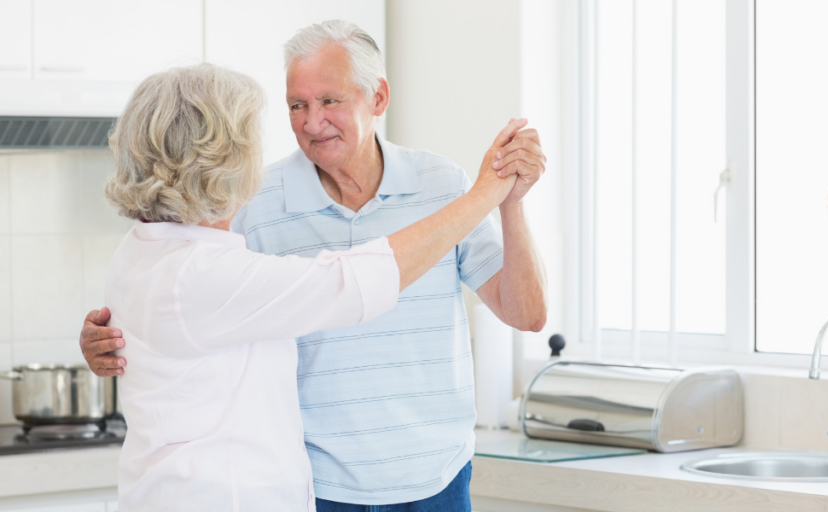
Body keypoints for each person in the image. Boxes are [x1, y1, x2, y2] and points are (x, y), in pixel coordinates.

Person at [80, 20, 548, 511]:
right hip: (319, 485)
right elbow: (337, 284)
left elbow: (527, 315)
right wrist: (482, 196)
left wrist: (507, 202)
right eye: (296, 105)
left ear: (378, 98)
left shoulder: (442, 184)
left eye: (330, 101)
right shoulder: (246, 201)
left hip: (435, 477)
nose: (310, 121)